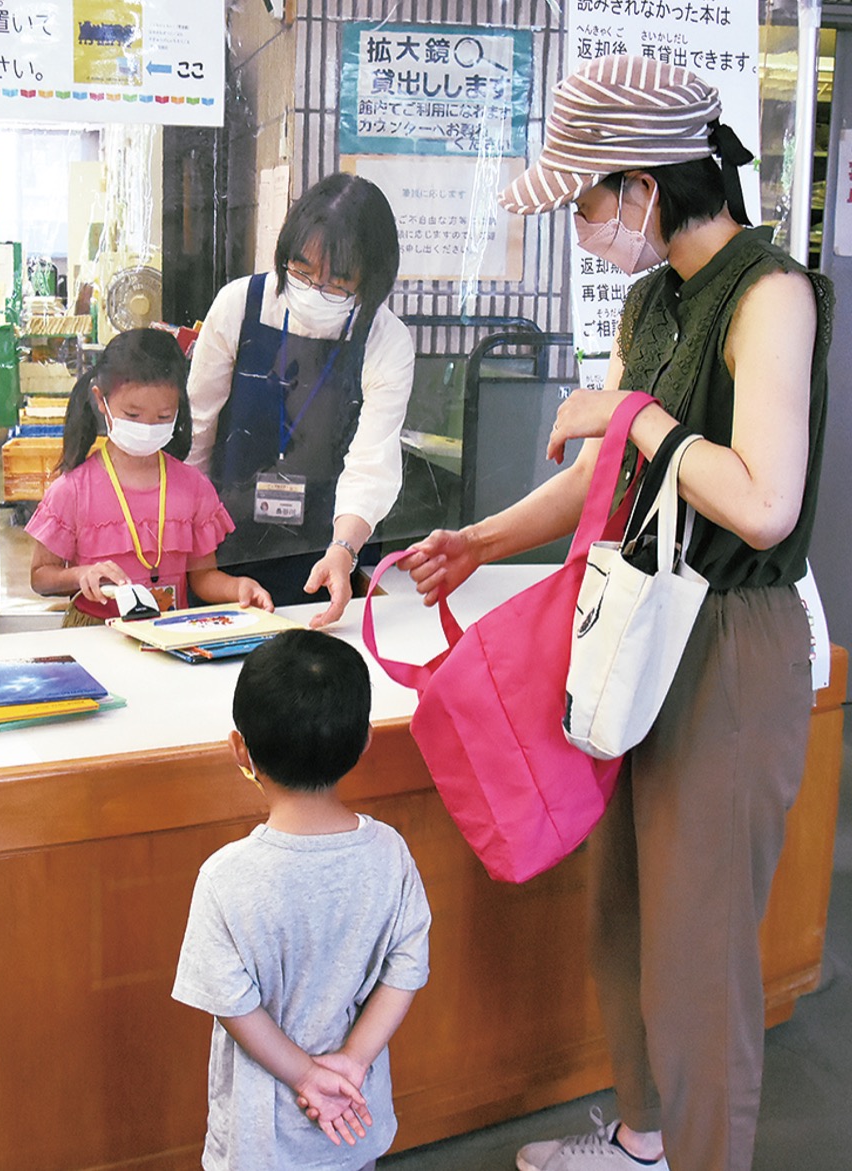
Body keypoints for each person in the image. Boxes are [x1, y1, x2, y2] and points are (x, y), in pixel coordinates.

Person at [401, 56, 832, 1171]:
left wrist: (632, 413)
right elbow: (603, 471)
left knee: (699, 952)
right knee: (626, 915)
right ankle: (645, 1139)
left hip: (731, 638)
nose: (581, 225)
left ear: (643, 186)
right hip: (638, 625)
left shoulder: (771, 291)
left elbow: (764, 502)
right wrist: (481, 539)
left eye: (587, 199)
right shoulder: (653, 299)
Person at [172, 629, 431, 1170]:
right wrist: (352, 1064)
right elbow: (406, 969)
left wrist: (305, 1076)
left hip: (260, 1138)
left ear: (240, 748)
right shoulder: (389, 853)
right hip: (353, 1115)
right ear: (363, 742)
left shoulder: (226, 877)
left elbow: (235, 1005)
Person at [186, 172, 416, 627]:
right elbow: (197, 433)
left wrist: (343, 550)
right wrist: (192, 544)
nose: (316, 290)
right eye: (302, 272)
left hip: (325, 550)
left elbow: (372, 461)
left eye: (337, 285)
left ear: (371, 281)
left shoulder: (386, 339)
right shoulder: (239, 304)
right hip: (222, 546)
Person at [26, 328, 272, 625]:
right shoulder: (72, 491)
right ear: (101, 401)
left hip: (169, 631)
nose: (147, 426)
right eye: (132, 414)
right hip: (95, 633)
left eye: (164, 416)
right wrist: (81, 575)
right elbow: (41, 577)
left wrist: (238, 587)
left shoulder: (193, 487)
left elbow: (202, 576)